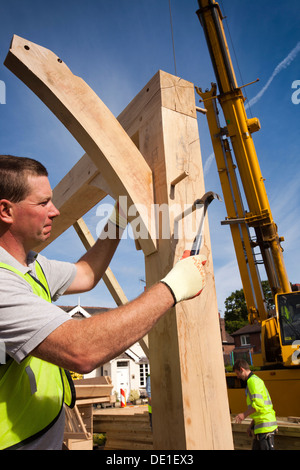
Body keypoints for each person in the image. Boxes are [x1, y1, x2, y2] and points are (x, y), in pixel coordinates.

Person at [0, 155, 207, 450]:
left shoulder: (34, 267)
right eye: (43, 203)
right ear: (6, 211)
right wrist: (173, 288)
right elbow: (81, 350)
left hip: (41, 432)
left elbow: (86, 274)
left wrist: (117, 219)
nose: (55, 211)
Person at [233, 359, 278, 450]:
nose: (238, 377)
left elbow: (258, 405)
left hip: (265, 428)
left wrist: (244, 415)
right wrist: (251, 425)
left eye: (238, 373)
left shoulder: (252, 381)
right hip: (262, 426)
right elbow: (260, 410)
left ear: (242, 369)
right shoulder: (254, 381)